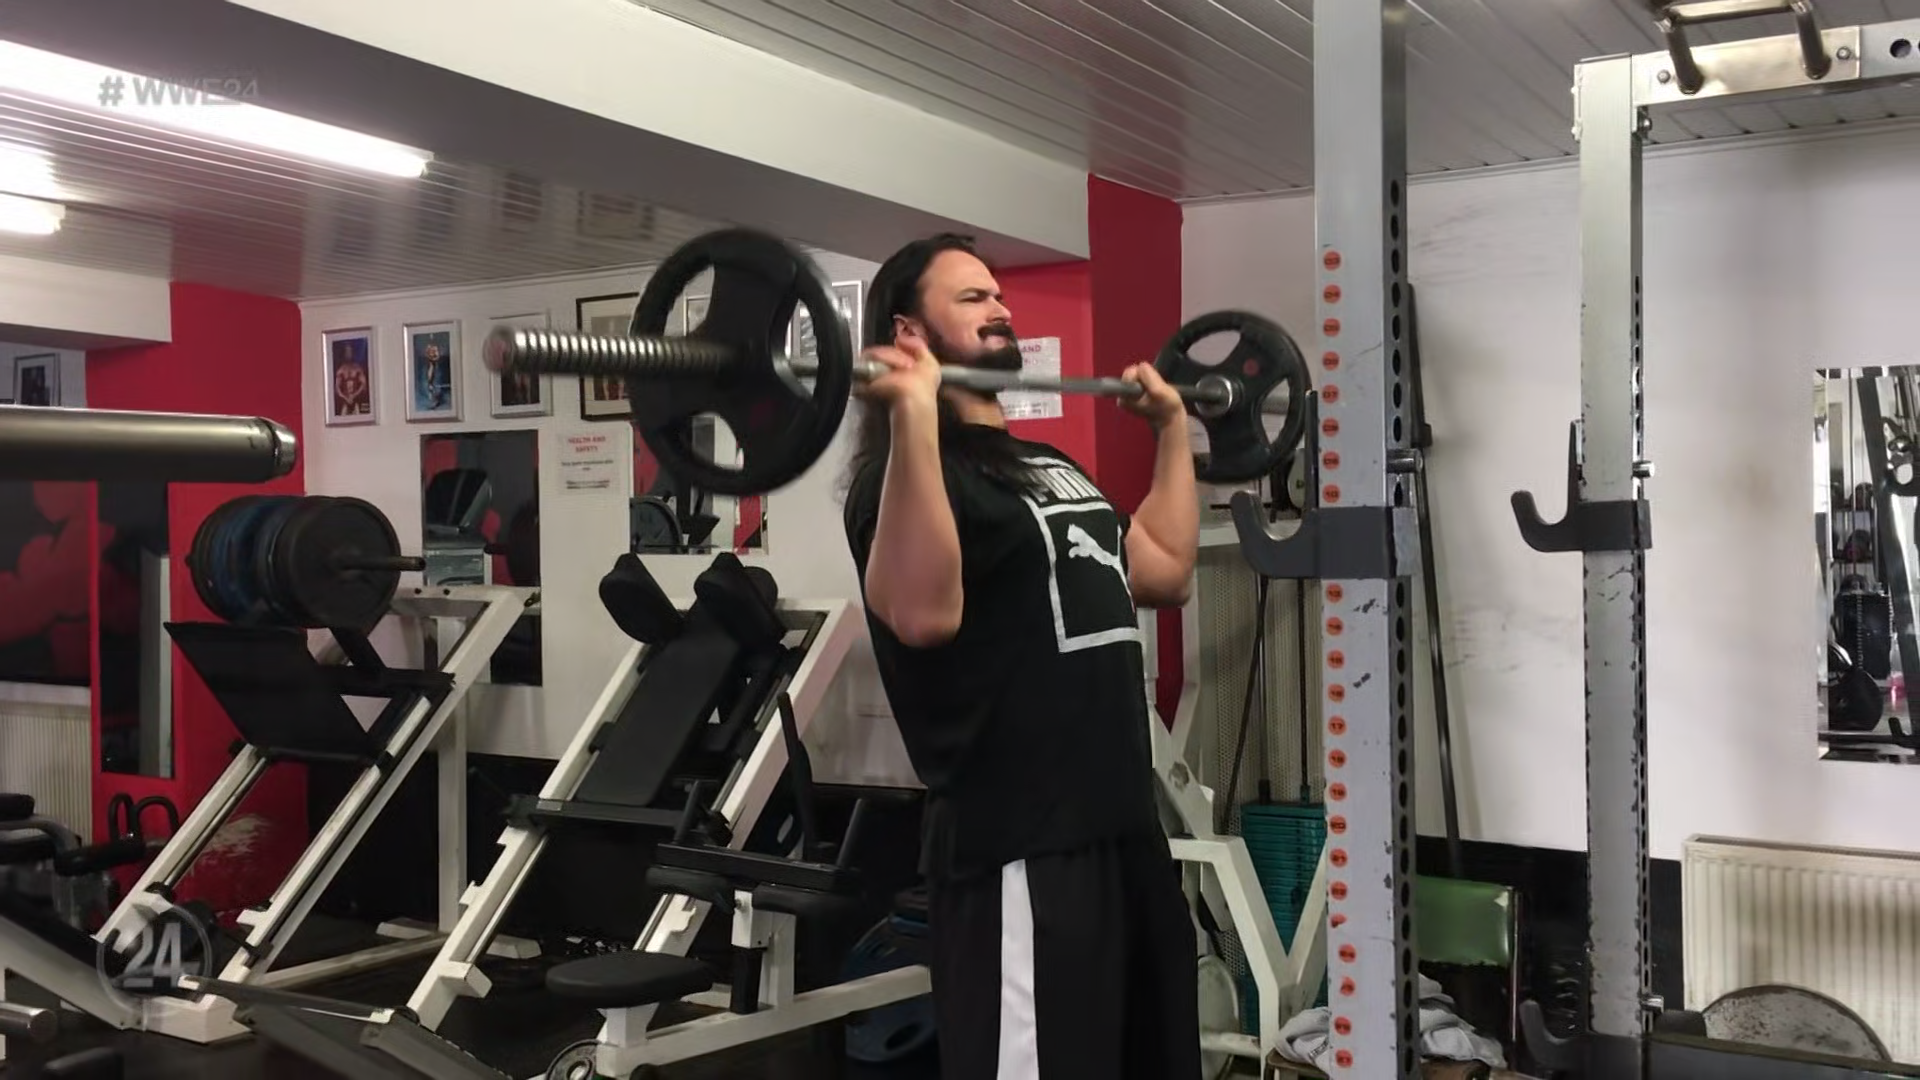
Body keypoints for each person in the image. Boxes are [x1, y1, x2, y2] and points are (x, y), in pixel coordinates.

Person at [841, 233, 1201, 1079]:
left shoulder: (1047, 465)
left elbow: (1164, 569)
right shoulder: (900, 484)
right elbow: (923, 614)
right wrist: (913, 415)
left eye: (999, 295)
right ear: (909, 332)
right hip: (1021, 850)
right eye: (972, 297)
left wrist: (1172, 431)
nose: (1000, 308)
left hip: (1124, 833)